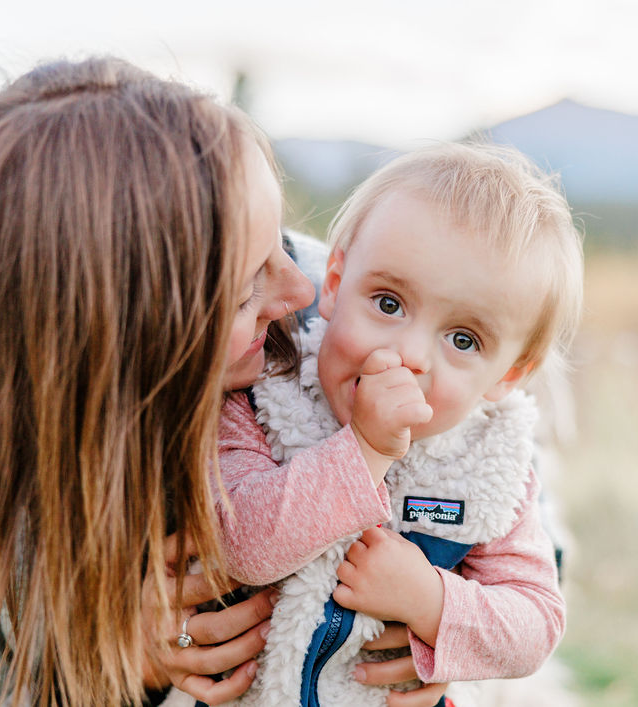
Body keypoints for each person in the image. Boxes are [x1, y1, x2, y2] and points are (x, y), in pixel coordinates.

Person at [0, 56, 440, 707]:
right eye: (242, 294)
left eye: (282, 247)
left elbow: (502, 481)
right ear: (118, 348)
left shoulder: (344, 305)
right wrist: (104, 661)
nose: (298, 291)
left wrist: (441, 625)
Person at [196, 142, 584, 706]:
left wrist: (431, 601)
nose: (408, 354)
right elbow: (240, 543)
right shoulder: (266, 392)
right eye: (388, 303)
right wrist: (364, 452)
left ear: (508, 376)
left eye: (463, 340)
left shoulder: (489, 461)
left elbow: (535, 623)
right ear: (333, 283)